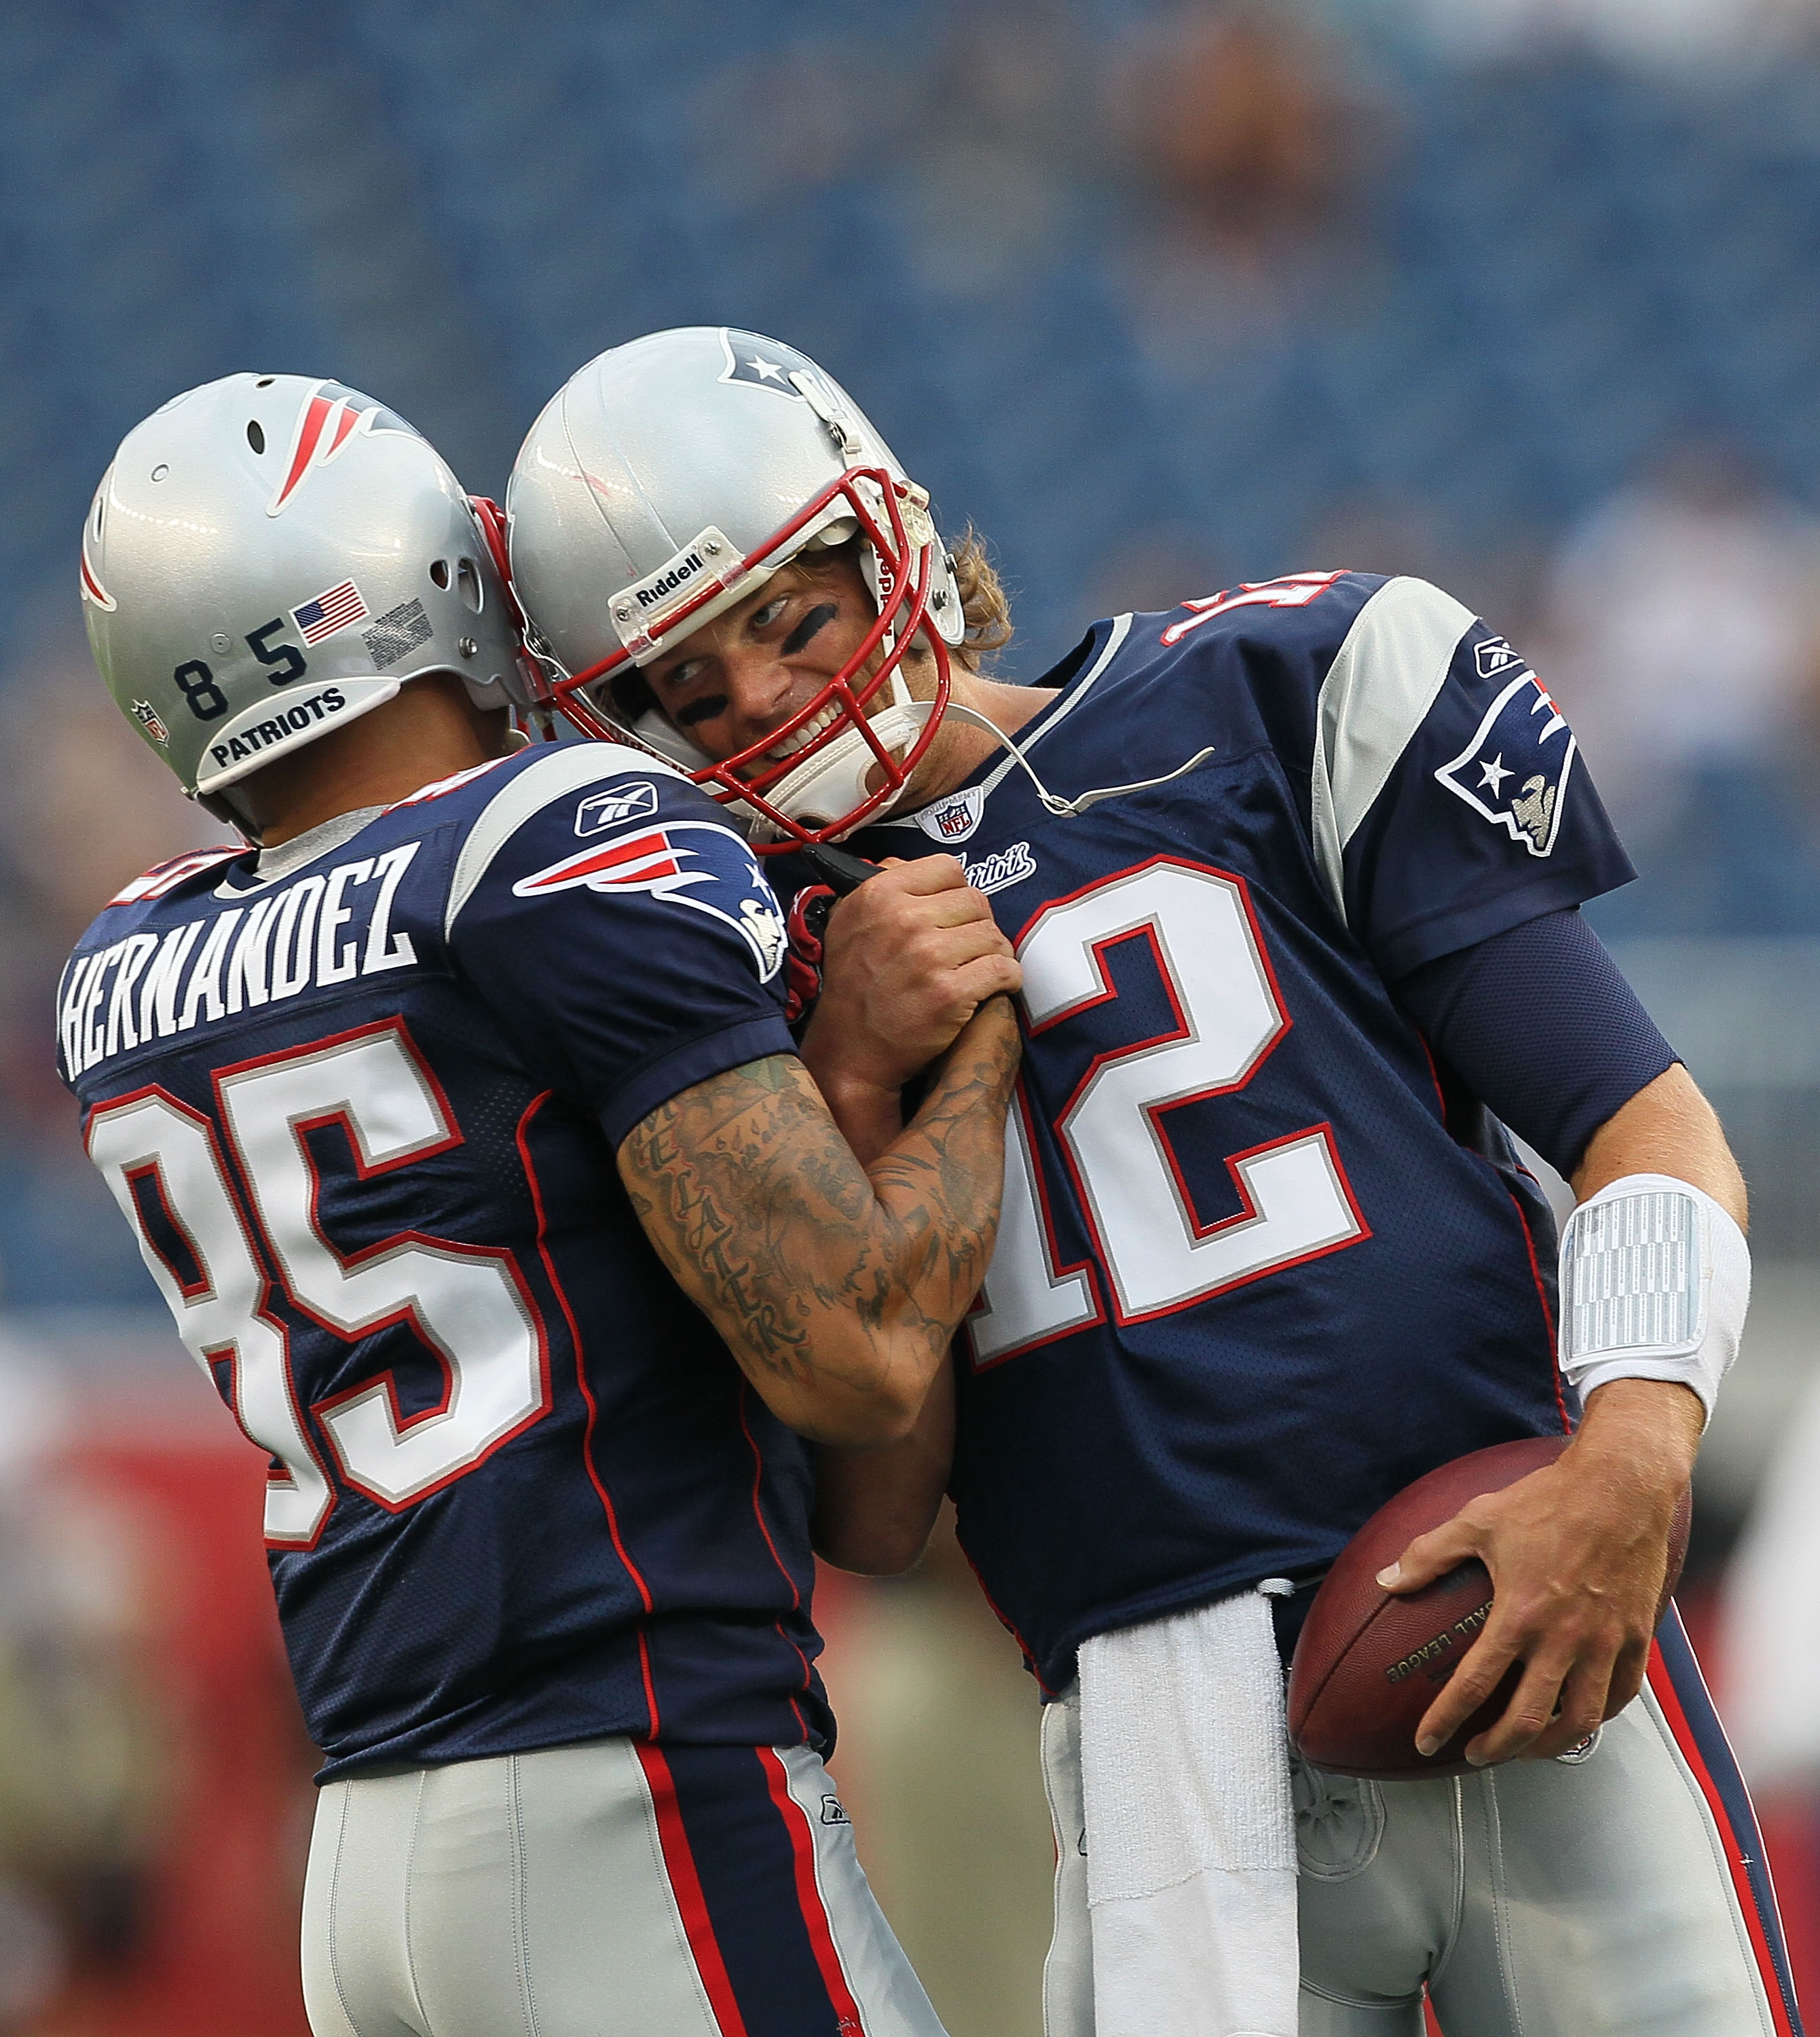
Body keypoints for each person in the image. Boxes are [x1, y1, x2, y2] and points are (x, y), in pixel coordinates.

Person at [504, 327, 1800, 2037]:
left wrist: (1632, 1453)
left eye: (787, 620)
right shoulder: (750, 971)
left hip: (1517, 1585)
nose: (756, 700)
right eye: (689, 685)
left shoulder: (1272, 691)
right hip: (1146, 1730)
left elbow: (1643, 1126)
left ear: (888, 544)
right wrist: (854, 1078)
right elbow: (881, 1512)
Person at [59, 372, 1023, 2037]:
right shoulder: (554, 840)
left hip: (358, 1851)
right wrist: (955, 1047)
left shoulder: (122, 964)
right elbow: (857, 1356)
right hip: (622, 1791)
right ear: (434, 582)